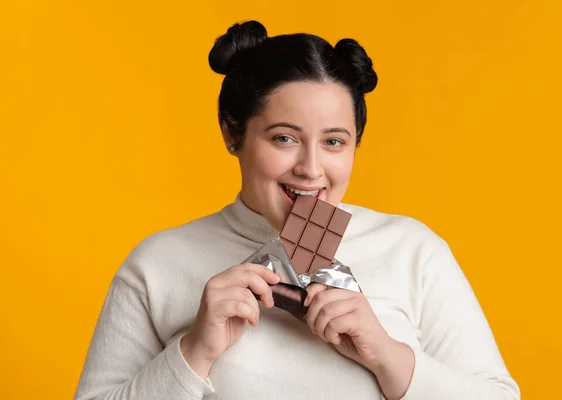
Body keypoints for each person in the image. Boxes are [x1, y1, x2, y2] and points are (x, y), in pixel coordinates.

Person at [75, 20, 520, 400]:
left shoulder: (414, 250)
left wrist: (388, 355)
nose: (311, 169)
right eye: (284, 138)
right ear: (233, 134)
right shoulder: (156, 264)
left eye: (333, 142)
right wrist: (194, 352)